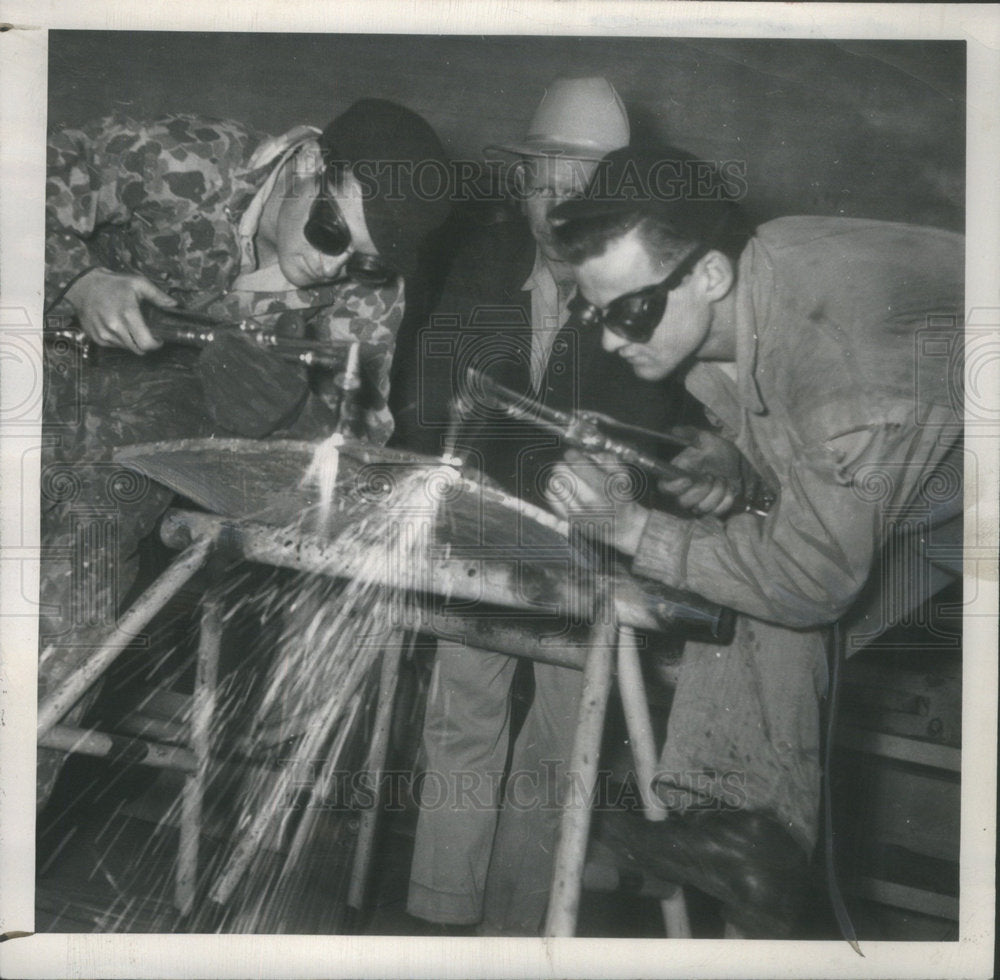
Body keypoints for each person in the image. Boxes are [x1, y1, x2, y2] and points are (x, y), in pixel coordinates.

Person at [543, 146, 964, 936]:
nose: (609, 343)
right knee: (748, 555)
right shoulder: (762, 271)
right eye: (595, 316)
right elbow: (803, 441)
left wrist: (633, 528)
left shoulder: (848, 374)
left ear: (708, 275)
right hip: (952, 460)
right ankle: (740, 833)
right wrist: (739, 459)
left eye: (629, 314)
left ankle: (751, 841)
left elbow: (811, 580)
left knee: (779, 573)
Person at [39, 101, 451, 806]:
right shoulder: (176, 161)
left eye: (362, 260)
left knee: (77, 580)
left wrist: (292, 421)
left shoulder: (367, 297)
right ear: (309, 161)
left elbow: (350, 449)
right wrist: (79, 279)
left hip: (138, 445)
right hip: (42, 372)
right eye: (331, 232)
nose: (331, 266)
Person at [401, 79, 694, 935]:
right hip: (479, 523)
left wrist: (618, 489)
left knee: (563, 738)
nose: (554, 207)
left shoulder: (641, 285)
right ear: (520, 185)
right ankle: (440, 920)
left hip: (587, 544)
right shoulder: (483, 264)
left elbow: (657, 434)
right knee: (462, 714)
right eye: (540, 183)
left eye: (578, 187)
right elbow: (433, 398)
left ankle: (517, 930)